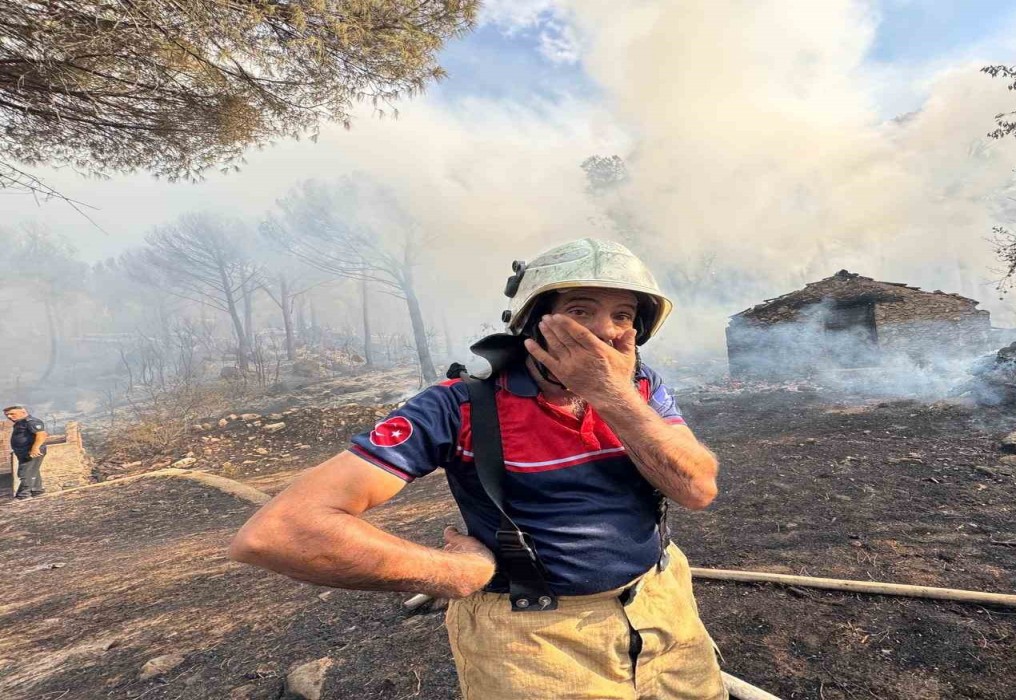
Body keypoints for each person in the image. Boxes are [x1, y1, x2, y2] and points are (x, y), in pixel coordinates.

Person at [230, 238, 726, 699]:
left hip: (664, 608)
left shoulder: (639, 387)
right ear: (533, 323)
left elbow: (696, 488)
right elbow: (281, 532)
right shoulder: (460, 406)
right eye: (579, 311)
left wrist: (611, 395)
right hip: (535, 641)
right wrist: (451, 573)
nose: (605, 331)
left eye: (623, 315)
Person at [5, 405, 47, 500]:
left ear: (23, 412)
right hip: (24, 452)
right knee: (32, 471)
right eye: (7, 415)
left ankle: (23, 495)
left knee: (24, 472)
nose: (9, 417)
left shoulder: (31, 422)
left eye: (12, 414)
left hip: (31, 451)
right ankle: (37, 490)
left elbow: (41, 434)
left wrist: (35, 448)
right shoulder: (20, 423)